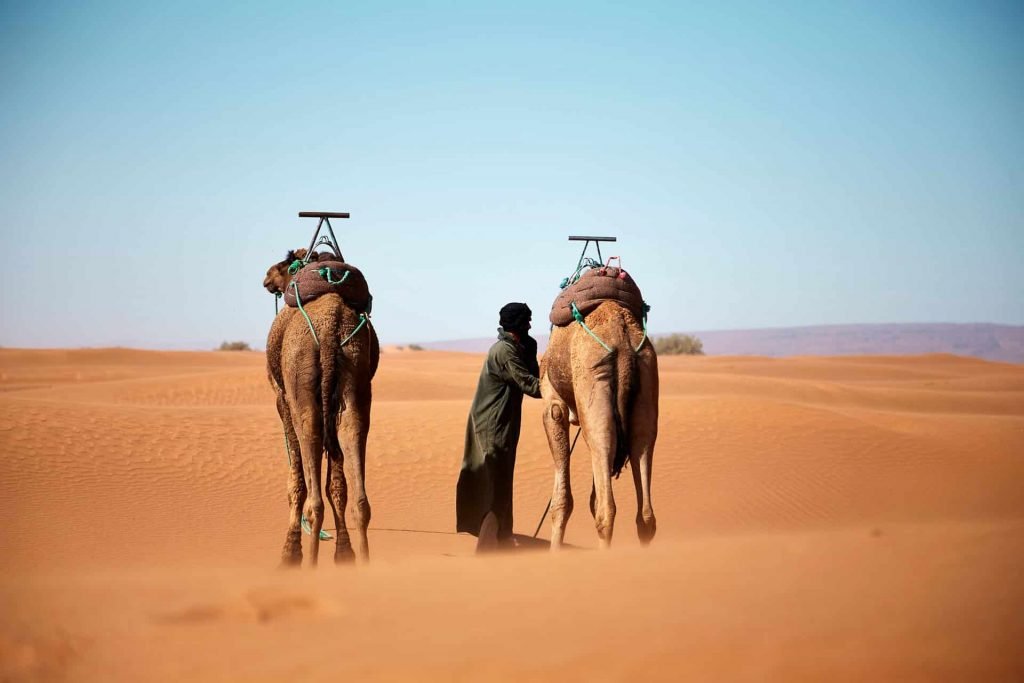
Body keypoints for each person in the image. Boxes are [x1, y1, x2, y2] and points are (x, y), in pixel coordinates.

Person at [456, 302, 542, 551]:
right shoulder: (504, 351)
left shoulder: (517, 347)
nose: (529, 325)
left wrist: (531, 350)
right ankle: (488, 547)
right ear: (517, 325)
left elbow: (532, 375)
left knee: (502, 479)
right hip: (492, 424)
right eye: (526, 321)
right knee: (495, 483)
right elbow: (530, 385)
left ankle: (503, 537)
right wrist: (564, 388)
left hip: (505, 422)